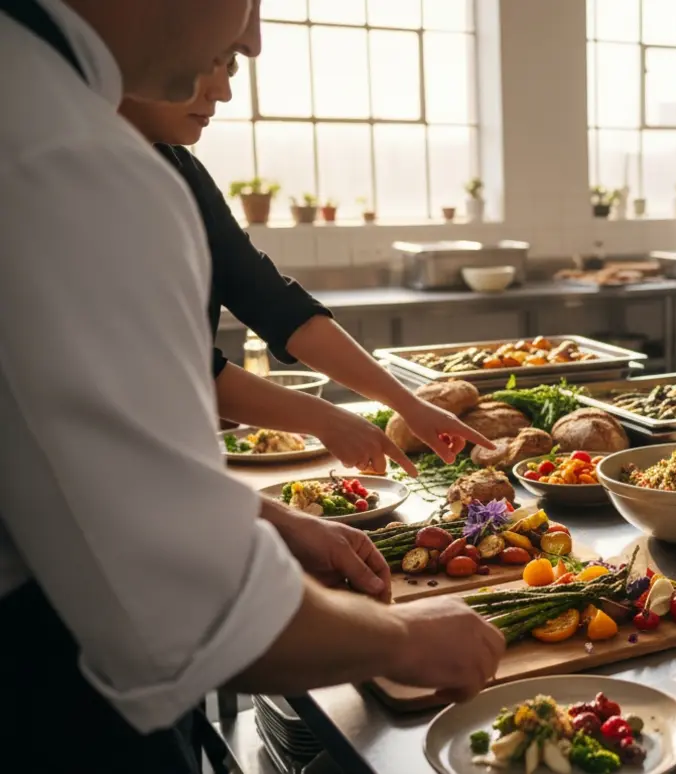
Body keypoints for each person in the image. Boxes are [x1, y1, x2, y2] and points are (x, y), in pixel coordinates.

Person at [0, 2, 504, 770]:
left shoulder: (47, 110)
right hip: (44, 692)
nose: (252, 40)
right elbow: (184, 600)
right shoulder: (64, 156)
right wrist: (407, 639)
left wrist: (266, 513)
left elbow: (65, 448)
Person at [118, 57, 490, 477]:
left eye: (231, 69)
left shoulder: (180, 168)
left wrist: (408, 404)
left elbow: (275, 303)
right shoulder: (87, 184)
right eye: (210, 62)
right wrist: (326, 419)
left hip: (172, 457)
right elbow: (175, 366)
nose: (223, 91)